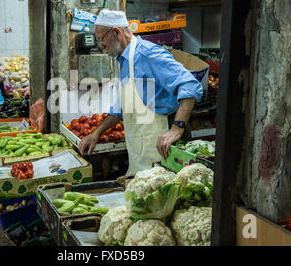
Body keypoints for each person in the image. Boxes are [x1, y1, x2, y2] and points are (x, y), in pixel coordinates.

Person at [78, 10, 203, 175]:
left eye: (101, 39)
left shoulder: (148, 54)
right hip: (142, 150)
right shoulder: (123, 61)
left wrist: (176, 128)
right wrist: (95, 133)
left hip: (167, 141)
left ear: (116, 32)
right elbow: (120, 110)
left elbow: (190, 85)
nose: (100, 45)